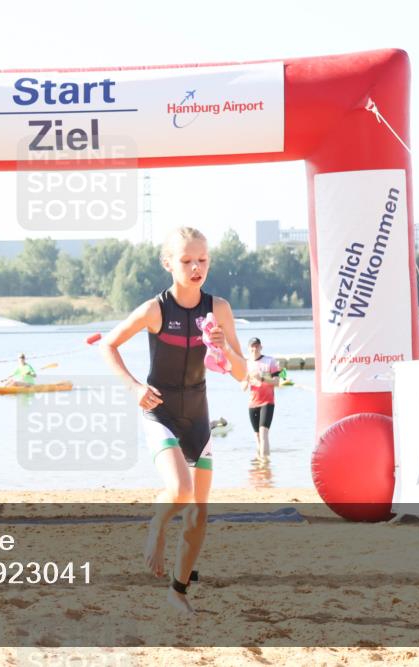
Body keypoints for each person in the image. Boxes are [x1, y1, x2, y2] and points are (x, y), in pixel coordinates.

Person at [99, 226, 247, 615]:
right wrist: (133, 387)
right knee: (179, 489)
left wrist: (223, 350)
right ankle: (157, 525)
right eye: (186, 261)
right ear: (168, 263)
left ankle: (177, 590)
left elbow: (242, 373)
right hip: (160, 411)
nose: (196, 267)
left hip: (198, 416)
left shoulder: (219, 309)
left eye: (202, 260)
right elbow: (108, 344)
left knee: (199, 511)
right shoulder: (155, 310)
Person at [242, 337, 281, 462]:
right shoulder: (246, 364)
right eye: (252, 346)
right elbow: (243, 387)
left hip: (267, 402)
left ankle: (265, 463)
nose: (255, 349)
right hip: (253, 403)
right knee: (257, 436)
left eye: (257, 346)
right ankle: (260, 463)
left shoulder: (270, 361)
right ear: (248, 348)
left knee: (263, 433)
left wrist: (262, 378)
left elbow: (277, 382)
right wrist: (247, 379)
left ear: (261, 347)